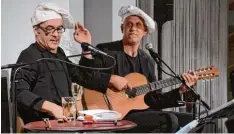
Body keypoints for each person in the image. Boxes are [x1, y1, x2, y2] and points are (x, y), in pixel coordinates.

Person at [77, 5, 198, 133]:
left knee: (191, 120)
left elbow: (154, 99)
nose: (133, 28)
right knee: (169, 120)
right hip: (112, 114)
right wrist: (111, 80)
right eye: (129, 24)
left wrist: (180, 91)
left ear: (145, 31)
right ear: (122, 28)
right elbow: (86, 76)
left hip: (139, 114)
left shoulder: (147, 61)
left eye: (138, 25)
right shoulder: (106, 51)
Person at [12, 2, 95, 124]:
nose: (56, 35)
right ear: (36, 31)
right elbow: (19, 92)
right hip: (43, 125)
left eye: (59, 29)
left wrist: (86, 47)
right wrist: (51, 108)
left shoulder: (59, 53)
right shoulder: (29, 55)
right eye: (49, 29)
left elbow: (83, 77)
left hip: (66, 123)